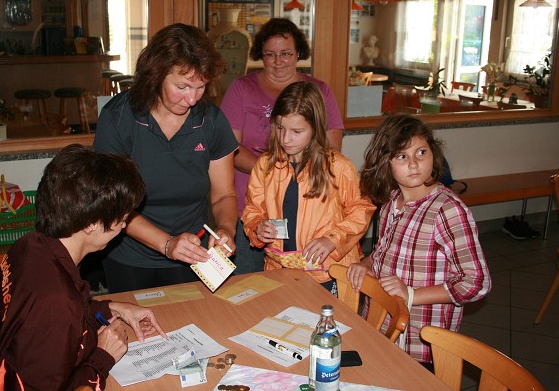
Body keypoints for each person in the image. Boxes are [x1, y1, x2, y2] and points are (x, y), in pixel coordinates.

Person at [0, 144, 167, 391]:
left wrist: (110, 308)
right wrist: (103, 356)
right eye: (123, 219)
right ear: (92, 223)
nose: (124, 226)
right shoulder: (56, 304)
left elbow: (59, 312)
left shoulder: (31, 245)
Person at [94, 23, 239, 292]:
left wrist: (226, 229)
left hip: (192, 252)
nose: (192, 99)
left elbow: (223, 195)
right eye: (182, 86)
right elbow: (113, 203)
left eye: (200, 87)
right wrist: (167, 243)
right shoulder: (119, 118)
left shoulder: (211, 121)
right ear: (156, 74)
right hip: (129, 254)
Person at [346, 115, 491, 368]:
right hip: (383, 329)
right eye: (402, 156)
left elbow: (476, 282)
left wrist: (411, 294)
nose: (414, 164)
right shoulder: (392, 201)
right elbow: (384, 252)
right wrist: (366, 264)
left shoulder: (447, 210)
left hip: (421, 344)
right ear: (385, 163)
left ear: (434, 154)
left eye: (421, 152)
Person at [221, 17, 344, 275]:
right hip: (252, 208)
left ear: (298, 53)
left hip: (308, 210)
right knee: (248, 284)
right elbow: (230, 147)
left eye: (286, 53)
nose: (278, 61)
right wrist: (275, 172)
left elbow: (331, 149)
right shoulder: (241, 88)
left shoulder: (319, 90)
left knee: (296, 285)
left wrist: (292, 175)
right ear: (261, 55)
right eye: (270, 54)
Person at [242, 81, 375, 293]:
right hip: (280, 270)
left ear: (315, 128)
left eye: (296, 131)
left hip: (328, 272)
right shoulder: (265, 165)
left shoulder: (337, 166)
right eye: (280, 128)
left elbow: (361, 210)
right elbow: (252, 210)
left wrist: (332, 240)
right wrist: (258, 227)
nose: (285, 139)